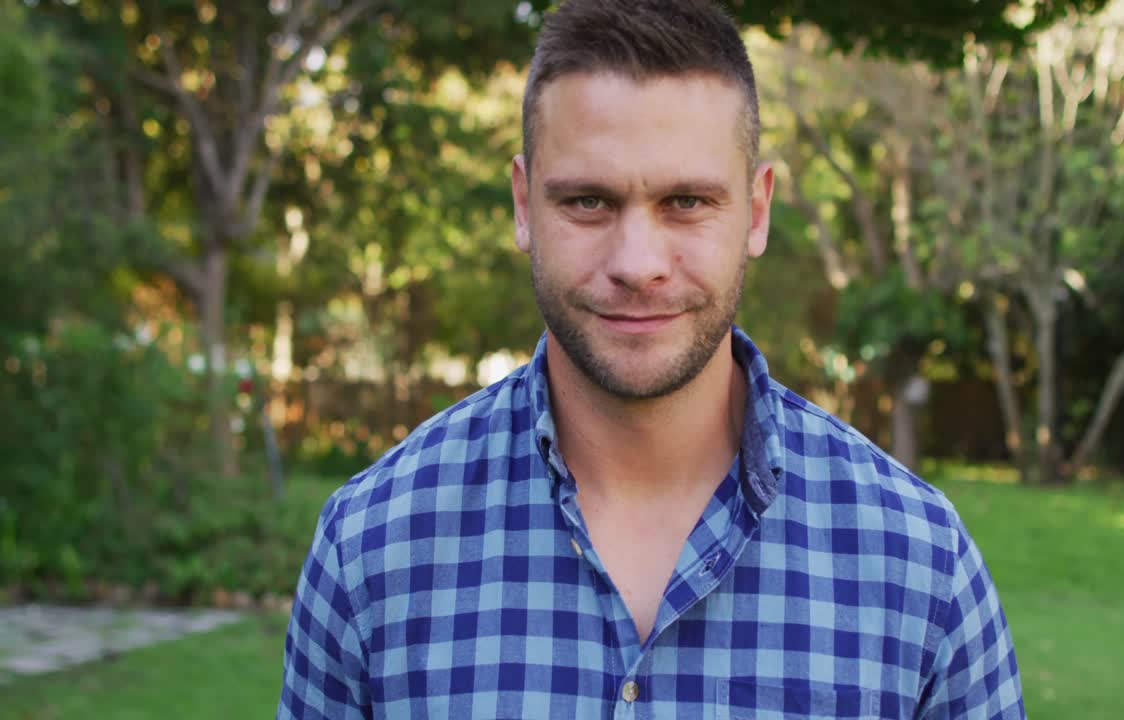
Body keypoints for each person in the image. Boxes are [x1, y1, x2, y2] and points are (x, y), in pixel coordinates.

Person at [277, 0, 1024, 717]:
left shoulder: (918, 561)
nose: (639, 263)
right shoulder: (374, 546)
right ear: (522, 203)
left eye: (687, 202)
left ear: (756, 212)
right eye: (589, 202)